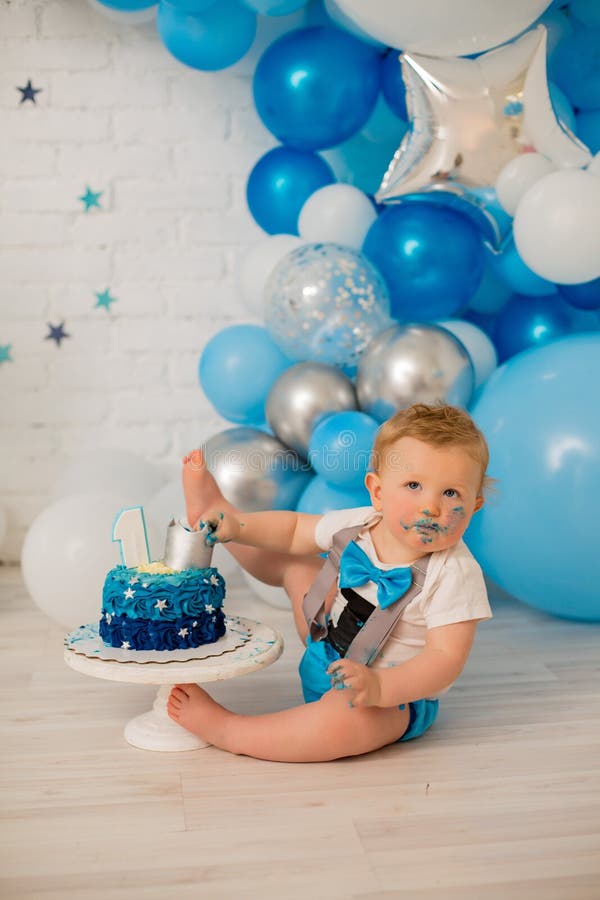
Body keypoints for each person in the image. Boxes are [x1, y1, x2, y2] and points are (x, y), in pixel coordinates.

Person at [167, 403, 493, 763]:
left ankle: (230, 730)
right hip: (324, 644)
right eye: (414, 485)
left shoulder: (455, 573)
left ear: (475, 505)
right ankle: (222, 518)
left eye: (451, 494)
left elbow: (445, 659)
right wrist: (242, 528)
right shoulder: (362, 524)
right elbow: (293, 531)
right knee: (294, 562)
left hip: (387, 698)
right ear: (378, 492)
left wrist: (381, 687)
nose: (430, 506)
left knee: (344, 720)